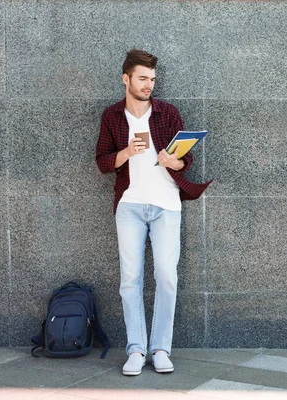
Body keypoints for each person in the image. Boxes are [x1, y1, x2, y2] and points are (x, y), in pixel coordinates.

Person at [95, 49, 211, 376]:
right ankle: (136, 349)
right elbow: (102, 162)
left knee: (167, 276)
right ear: (126, 79)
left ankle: (160, 348)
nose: (149, 85)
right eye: (143, 78)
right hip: (130, 205)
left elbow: (185, 160)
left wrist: (177, 162)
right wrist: (127, 151)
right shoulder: (113, 116)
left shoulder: (167, 113)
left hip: (166, 204)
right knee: (130, 280)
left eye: (152, 79)